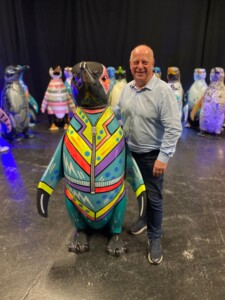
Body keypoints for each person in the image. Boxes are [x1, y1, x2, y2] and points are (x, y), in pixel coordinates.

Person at [114, 45, 182, 264]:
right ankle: (143, 220)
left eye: (145, 62)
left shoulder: (163, 92)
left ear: (153, 63)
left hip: (152, 156)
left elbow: (173, 128)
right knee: (138, 191)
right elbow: (116, 113)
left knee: (154, 198)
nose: (140, 66)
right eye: (136, 62)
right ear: (130, 64)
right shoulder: (127, 88)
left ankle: (155, 238)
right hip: (128, 153)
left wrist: (163, 157)